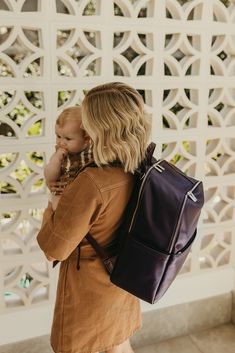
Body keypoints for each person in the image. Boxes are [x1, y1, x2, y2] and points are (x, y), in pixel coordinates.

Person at [37, 82, 151, 353]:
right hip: (123, 278)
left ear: (99, 129)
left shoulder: (90, 181)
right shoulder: (138, 166)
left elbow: (53, 249)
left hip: (87, 292)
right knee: (119, 345)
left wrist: (53, 204)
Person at [44, 106, 92, 210]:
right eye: (58, 136)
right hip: (63, 191)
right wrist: (56, 160)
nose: (61, 142)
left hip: (84, 192)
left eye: (68, 138)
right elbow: (50, 178)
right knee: (57, 204)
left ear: (86, 138)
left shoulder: (92, 152)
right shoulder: (60, 154)